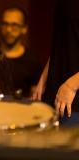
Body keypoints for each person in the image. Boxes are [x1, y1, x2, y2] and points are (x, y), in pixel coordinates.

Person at [33, 0, 79, 128]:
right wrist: (44, 78)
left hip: (73, 101)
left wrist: (71, 86)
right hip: (54, 94)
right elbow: (65, 42)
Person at [0, 6, 43, 98]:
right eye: (5, 24)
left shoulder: (33, 61)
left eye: (14, 25)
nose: (8, 30)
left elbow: (34, 96)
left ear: (24, 29)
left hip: (17, 110)